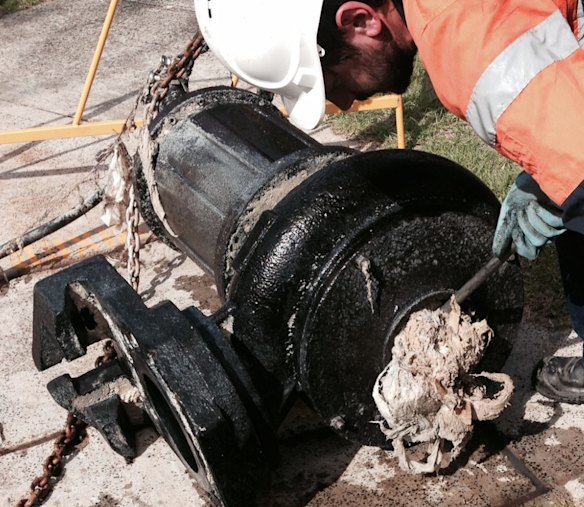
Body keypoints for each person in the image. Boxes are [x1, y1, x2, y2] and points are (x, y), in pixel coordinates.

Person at [193, 0, 584, 403]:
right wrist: (546, 172)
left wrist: (569, 175)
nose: (343, 102)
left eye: (332, 80)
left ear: (361, 21)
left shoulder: (471, 47)